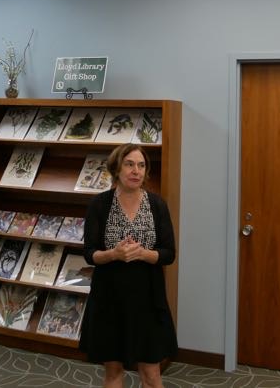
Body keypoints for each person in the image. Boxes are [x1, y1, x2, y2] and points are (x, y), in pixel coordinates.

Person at [79, 143, 178, 388]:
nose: (136, 171)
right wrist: (114, 254)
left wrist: (143, 254)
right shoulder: (99, 205)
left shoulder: (157, 205)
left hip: (148, 298)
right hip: (109, 297)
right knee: (113, 373)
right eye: (130, 164)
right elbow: (89, 254)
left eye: (141, 165)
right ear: (116, 168)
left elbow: (168, 254)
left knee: (152, 374)